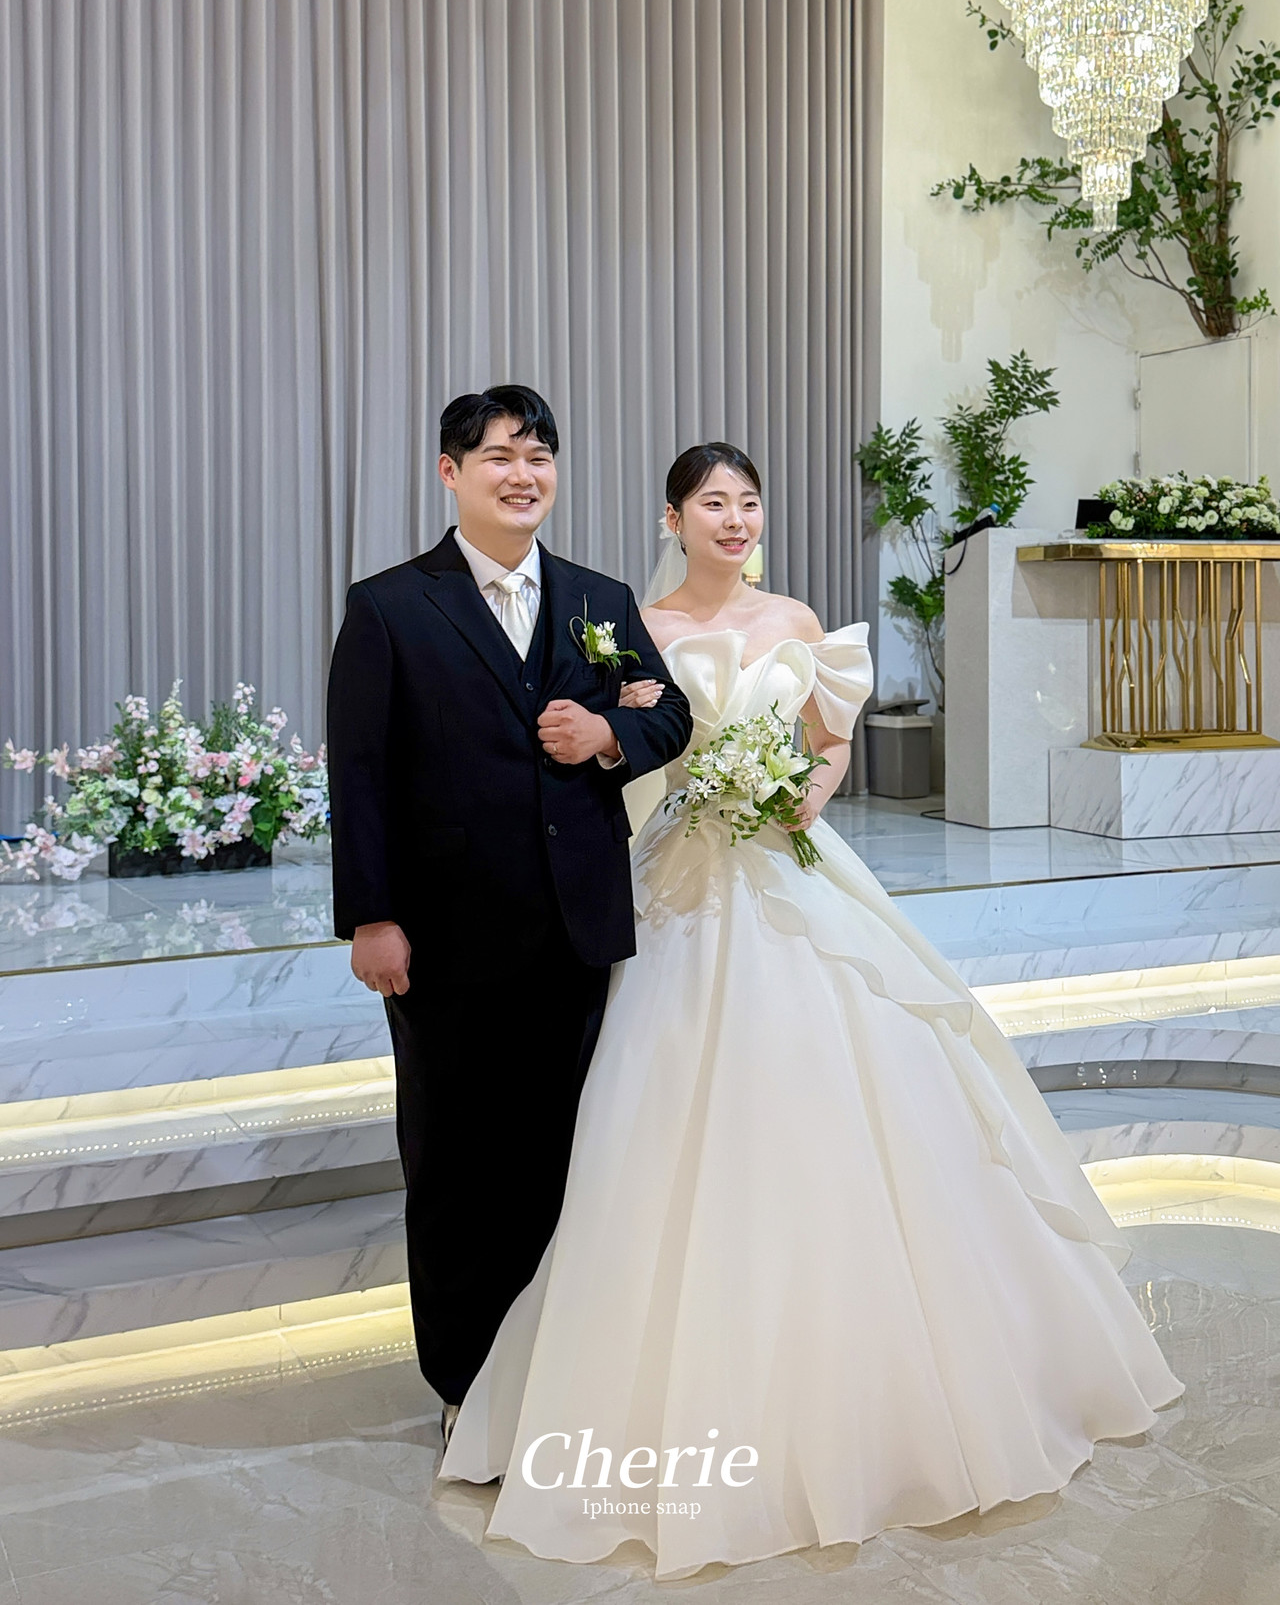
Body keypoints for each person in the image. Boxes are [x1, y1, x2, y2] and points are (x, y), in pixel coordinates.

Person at [439, 441, 1184, 1581]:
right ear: (673, 518)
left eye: (748, 502)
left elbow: (828, 741)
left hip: (790, 864)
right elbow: (622, 751)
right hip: (681, 874)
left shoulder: (795, 621)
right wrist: (673, 768)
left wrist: (798, 796)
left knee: (856, 1077)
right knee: (662, 1100)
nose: (735, 520)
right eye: (712, 504)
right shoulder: (632, 627)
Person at [325, 386, 692, 1442]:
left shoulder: (597, 597)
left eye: (538, 456)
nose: (522, 475)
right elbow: (361, 774)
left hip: (573, 925)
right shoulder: (390, 606)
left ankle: (546, 1375)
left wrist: (610, 737)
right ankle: (463, 1386)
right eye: (498, 456)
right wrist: (371, 917)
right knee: (453, 1163)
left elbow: (669, 712)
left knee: (558, 1158)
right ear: (451, 473)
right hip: (443, 937)